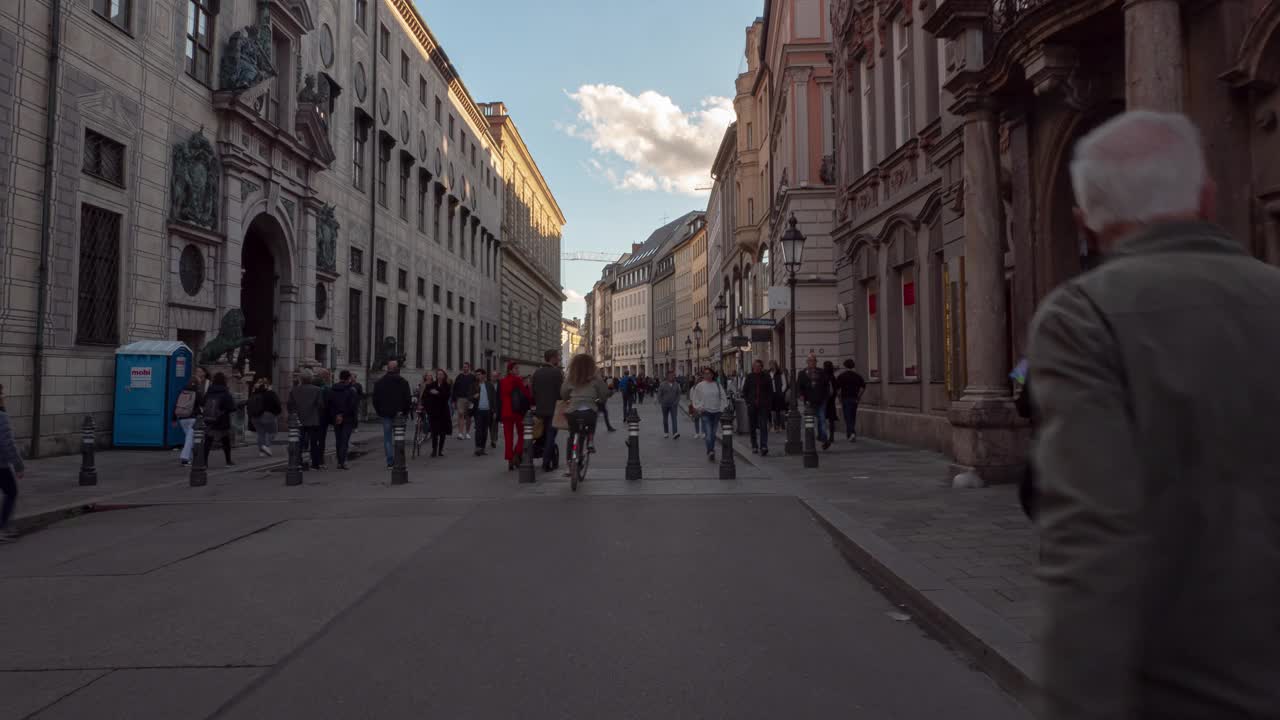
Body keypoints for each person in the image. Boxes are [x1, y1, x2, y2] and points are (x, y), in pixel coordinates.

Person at [1027, 110, 1280, 719]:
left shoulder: (1083, 318)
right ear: (1208, 196)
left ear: (1085, 224)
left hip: (1183, 688)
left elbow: (1092, 538)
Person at [560, 354, 610, 457]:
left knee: (573, 434)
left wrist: (567, 399)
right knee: (591, 423)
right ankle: (590, 440)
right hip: (589, 410)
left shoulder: (570, 378)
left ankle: (570, 463)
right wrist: (600, 399)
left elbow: (563, 393)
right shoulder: (596, 379)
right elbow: (604, 393)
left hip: (573, 412)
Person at [372, 360, 414, 469]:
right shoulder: (403, 382)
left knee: (387, 438)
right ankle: (399, 460)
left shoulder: (380, 382)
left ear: (387, 368)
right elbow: (407, 399)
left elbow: (375, 399)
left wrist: (379, 411)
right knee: (399, 438)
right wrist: (405, 411)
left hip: (385, 414)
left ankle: (390, 461)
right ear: (396, 369)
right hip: (399, 414)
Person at [531, 349, 564, 472]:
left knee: (541, 435)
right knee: (551, 435)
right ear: (552, 358)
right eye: (557, 357)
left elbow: (532, 392)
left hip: (540, 410)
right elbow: (561, 393)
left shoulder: (536, 373)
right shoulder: (557, 373)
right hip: (553, 410)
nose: (559, 359)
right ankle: (546, 462)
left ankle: (538, 453)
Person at [0, 384, 24, 543]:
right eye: (1, 393)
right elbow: (7, 442)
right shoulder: (1, 417)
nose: (3, 396)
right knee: (11, 492)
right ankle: (2, 529)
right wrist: (18, 465)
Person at [288, 369, 325, 470]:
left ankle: (298, 462)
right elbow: (321, 405)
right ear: (311, 378)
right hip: (313, 420)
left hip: (298, 420)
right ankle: (315, 464)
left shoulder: (294, 390)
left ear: (301, 378)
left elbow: (290, 405)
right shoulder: (317, 390)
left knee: (298, 442)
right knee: (314, 443)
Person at [690, 367, 728, 463]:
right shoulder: (700, 386)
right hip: (705, 412)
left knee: (713, 433)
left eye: (709, 373)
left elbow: (723, 397)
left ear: (712, 374)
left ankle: (711, 450)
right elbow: (695, 398)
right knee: (708, 433)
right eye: (705, 373)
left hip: (716, 413)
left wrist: (722, 408)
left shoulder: (717, 385)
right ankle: (710, 451)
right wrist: (699, 407)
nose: (707, 375)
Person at [795, 354, 833, 450]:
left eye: (814, 361)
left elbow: (827, 385)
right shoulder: (802, 373)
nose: (812, 362)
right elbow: (799, 386)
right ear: (807, 362)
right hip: (809, 401)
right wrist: (800, 395)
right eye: (810, 361)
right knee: (809, 422)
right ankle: (811, 440)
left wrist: (826, 397)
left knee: (822, 419)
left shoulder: (822, 372)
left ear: (816, 362)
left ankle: (824, 439)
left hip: (821, 400)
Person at [499, 361, 531, 470]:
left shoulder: (502, 381)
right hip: (516, 411)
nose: (518, 371)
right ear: (510, 370)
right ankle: (517, 452)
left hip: (506, 412)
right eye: (516, 369)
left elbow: (500, 398)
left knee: (508, 437)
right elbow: (526, 394)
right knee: (522, 433)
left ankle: (510, 460)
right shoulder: (517, 380)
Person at [201, 372, 237, 466]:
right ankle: (228, 460)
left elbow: (203, 402)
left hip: (210, 419)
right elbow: (232, 407)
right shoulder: (225, 392)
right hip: (222, 420)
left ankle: (204, 462)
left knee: (208, 441)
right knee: (225, 441)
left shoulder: (209, 391)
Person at [328, 370, 361, 470]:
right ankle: (343, 461)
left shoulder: (333, 389)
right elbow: (352, 406)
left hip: (336, 418)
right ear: (348, 378)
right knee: (345, 440)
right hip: (348, 418)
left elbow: (330, 404)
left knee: (338, 440)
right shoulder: (351, 390)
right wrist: (343, 415)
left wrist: (337, 415)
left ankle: (339, 461)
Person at [741, 359, 774, 455]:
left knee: (763, 425)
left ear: (761, 367)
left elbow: (770, 391)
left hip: (763, 406)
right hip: (752, 405)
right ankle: (754, 445)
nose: (757, 368)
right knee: (752, 427)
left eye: (759, 366)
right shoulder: (750, 377)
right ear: (753, 367)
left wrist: (768, 403)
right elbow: (745, 391)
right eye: (755, 366)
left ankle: (764, 446)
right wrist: (748, 402)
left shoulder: (766, 377)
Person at [246, 377, 282, 457]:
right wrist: (277, 413)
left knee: (260, 433)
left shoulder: (254, 393)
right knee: (273, 432)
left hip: (254, 416)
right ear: (267, 385)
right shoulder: (270, 393)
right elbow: (277, 404)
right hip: (268, 415)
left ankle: (262, 452)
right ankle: (266, 446)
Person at [421, 369, 452, 457]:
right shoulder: (431, 385)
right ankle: (434, 449)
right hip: (434, 411)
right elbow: (425, 396)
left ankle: (440, 450)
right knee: (434, 432)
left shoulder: (447, 385)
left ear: (444, 376)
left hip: (443, 411)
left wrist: (437, 393)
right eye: (438, 374)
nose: (440, 376)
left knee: (442, 432)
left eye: (441, 374)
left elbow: (446, 396)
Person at [173, 375, 203, 466]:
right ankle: (185, 458)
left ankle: (190, 458)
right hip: (193, 418)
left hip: (182, 418)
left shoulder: (182, 391)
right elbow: (202, 403)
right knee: (189, 439)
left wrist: (174, 418)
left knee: (189, 438)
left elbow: (176, 404)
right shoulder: (197, 392)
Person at [835, 359, 866, 442]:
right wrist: (858, 396)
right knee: (852, 416)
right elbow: (863, 387)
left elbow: (838, 389)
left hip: (845, 398)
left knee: (847, 417)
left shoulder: (841, 376)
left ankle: (851, 433)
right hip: (854, 399)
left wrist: (839, 398)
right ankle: (850, 434)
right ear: (853, 366)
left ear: (845, 366)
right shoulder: (857, 376)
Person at [470, 368, 497, 456]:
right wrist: (474, 396)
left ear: (484, 375)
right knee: (478, 429)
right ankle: (477, 447)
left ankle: (482, 448)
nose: (477, 376)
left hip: (488, 411)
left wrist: (494, 412)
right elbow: (469, 397)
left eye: (479, 374)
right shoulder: (474, 385)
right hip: (478, 411)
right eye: (476, 374)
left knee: (485, 430)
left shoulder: (489, 385)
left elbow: (494, 399)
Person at [452, 362, 477, 440]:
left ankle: (467, 432)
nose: (464, 368)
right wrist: (454, 399)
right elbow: (455, 388)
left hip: (469, 399)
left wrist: (474, 398)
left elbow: (476, 387)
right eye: (463, 367)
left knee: (468, 416)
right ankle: (460, 433)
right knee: (460, 414)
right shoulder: (459, 376)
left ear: (469, 368)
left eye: (466, 367)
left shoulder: (472, 377)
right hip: (460, 398)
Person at [657, 370, 682, 439]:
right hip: (665, 404)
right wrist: (661, 401)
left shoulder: (676, 384)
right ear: (667, 376)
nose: (672, 377)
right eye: (670, 375)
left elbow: (678, 394)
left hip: (673, 405)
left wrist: (676, 402)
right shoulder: (662, 384)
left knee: (674, 419)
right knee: (665, 419)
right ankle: (666, 432)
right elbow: (659, 394)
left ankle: (675, 433)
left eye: (673, 375)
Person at [770, 361, 789, 432]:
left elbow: (784, 384)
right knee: (773, 411)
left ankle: (781, 425)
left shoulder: (780, 373)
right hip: (772, 394)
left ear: (775, 365)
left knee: (780, 410)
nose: (771, 366)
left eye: (773, 365)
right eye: (770, 365)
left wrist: (781, 391)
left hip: (779, 394)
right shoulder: (769, 373)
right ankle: (774, 425)